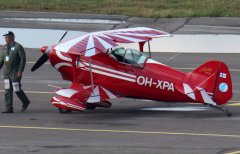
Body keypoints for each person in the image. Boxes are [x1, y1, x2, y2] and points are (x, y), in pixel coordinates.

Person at [0, 31, 30, 113]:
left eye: (7, 37)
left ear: (12, 37)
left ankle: (25, 101)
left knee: (16, 89)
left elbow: (23, 59)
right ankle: (9, 108)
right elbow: (2, 60)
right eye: (5, 38)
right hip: (6, 72)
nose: (6, 39)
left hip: (15, 72)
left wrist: (20, 71)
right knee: (7, 90)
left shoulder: (18, 47)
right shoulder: (5, 47)